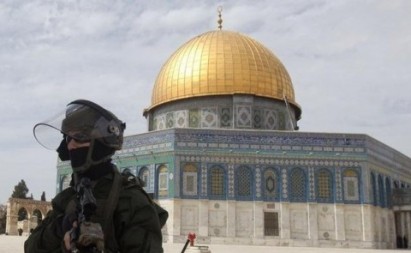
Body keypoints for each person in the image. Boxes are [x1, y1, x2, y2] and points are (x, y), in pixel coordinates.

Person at [25, 99, 168, 253]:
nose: (71, 145)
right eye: (68, 138)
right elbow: (31, 247)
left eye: (79, 137)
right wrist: (60, 230)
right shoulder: (68, 199)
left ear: (101, 144)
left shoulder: (131, 201)